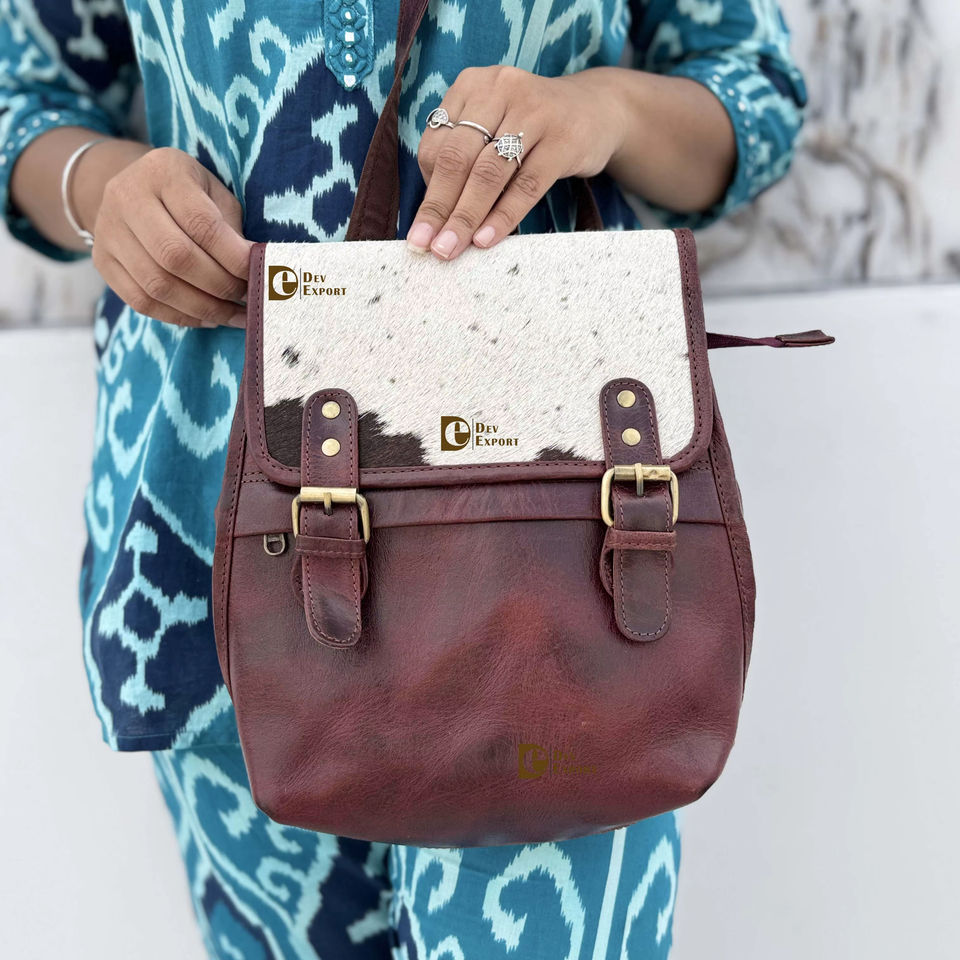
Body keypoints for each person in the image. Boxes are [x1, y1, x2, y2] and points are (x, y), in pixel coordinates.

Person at [0, 2, 806, 957]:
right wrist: (101, 189)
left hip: (564, 563)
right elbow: (22, 93)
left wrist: (605, 109)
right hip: (220, 534)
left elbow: (753, 91)